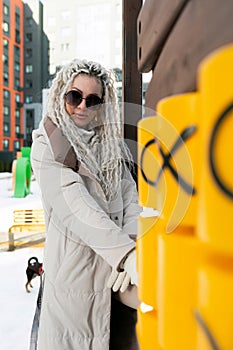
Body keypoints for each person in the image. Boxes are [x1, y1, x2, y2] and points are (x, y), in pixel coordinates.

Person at [30, 58, 142, 350]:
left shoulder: (111, 146)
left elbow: (130, 200)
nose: (82, 106)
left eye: (92, 100)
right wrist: (126, 254)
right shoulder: (47, 145)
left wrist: (131, 253)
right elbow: (77, 208)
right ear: (60, 95)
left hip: (116, 278)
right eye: (74, 96)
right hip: (74, 281)